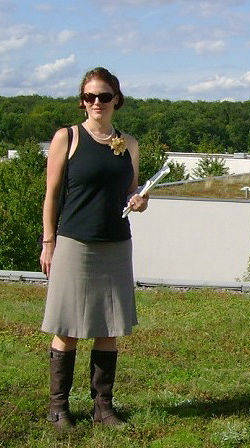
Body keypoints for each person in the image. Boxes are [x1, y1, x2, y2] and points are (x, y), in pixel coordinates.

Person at [40, 67, 148, 429]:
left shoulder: (129, 143)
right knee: (67, 326)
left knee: (109, 327)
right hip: (73, 242)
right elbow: (51, 194)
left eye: (103, 96)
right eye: (89, 97)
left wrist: (139, 200)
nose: (96, 103)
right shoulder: (67, 138)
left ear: (116, 98)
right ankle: (59, 408)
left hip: (116, 244)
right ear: (82, 102)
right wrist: (48, 241)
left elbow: (131, 190)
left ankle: (103, 408)